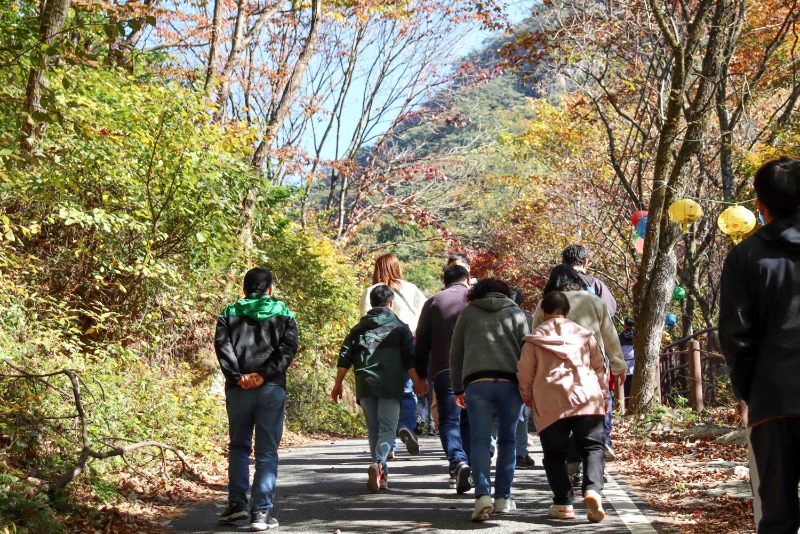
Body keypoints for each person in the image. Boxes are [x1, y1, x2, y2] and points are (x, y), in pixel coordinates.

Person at [719, 157, 800, 533]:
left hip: (773, 396)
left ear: (760, 204)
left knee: (776, 514)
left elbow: (736, 334)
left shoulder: (746, 256)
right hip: (771, 391)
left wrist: (751, 389)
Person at [214, 267, 298, 532]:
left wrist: (237, 376)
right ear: (270, 289)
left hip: (238, 389)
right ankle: (260, 513)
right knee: (266, 452)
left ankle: (237, 503)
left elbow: (222, 346)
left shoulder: (228, 313)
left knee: (239, 447)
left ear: (244, 290)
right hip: (271, 387)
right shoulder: (284, 313)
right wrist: (264, 375)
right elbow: (288, 348)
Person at [518, 290, 608, 522]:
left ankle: (563, 504)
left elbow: (525, 374)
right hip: (587, 398)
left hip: (550, 401)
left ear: (543, 312)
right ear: (567, 312)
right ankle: (592, 490)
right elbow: (599, 369)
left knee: (554, 454)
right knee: (593, 448)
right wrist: (604, 397)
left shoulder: (534, 340)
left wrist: (528, 398)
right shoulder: (586, 335)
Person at [532, 264, 626, 481]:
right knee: (591, 416)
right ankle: (593, 466)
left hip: (554, 371)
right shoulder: (594, 301)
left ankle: (572, 466)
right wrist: (618, 364)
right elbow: (609, 334)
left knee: (563, 419)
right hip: (592, 366)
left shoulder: (544, 304)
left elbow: (535, 337)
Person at [331, 285, 427, 492]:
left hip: (365, 384)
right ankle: (379, 463)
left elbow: (344, 357)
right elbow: (409, 361)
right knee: (387, 429)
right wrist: (418, 382)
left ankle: (381, 475)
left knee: (374, 430)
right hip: (390, 385)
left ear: (371, 303)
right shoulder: (400, 327)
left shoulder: (358, 329)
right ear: (391, 303)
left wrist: (338, 384)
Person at [450, 279, 529, 521]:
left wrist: (457, 389)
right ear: (506, 293)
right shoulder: (516, 313)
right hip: (510, 384)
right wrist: (528, 386)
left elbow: (456, 353)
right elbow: (527, 352)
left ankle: (482, 495)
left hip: (477, 384)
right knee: (508, 441)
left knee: (480, 441)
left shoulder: (468, 313)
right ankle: (503, 498)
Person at [359, 253, 427, 456]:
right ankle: (406, 425)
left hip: (377, 347)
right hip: (408, 342)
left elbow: (363, 320)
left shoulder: (371, 291)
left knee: (382, 391)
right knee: (407, 390)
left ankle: (388, 446)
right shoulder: (411, 288)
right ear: (397, 267)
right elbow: (423, 315)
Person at [415, 265, 472, 493]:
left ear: (445, 282)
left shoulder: (434, 302)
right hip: (475, 368)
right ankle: (471, 467)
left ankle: (458, 462)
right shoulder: (476, 299)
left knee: (449, 421)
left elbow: (422, 342)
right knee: (470, 420)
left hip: (444, 369)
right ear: (467, 280)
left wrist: (420, 375)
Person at [510, 287, 536, 470]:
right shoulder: (528, 319)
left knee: (494, 415)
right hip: (522, 371)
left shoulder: (490, 316)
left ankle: (488, 450)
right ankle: (520, 453)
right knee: (521, 415)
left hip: (495, 370)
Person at [561, 244, 617, 318]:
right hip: (591, 328)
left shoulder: (555, 283)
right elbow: (609, 311)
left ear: (562, 262)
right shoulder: (594, 284)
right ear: (585, 262)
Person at [618, 318, 635, 398]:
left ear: (625, 325)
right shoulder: (636, 335)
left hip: (625, 360)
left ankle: (625, 400)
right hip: (634, 361)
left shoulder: (621, 336)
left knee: (625, 380)